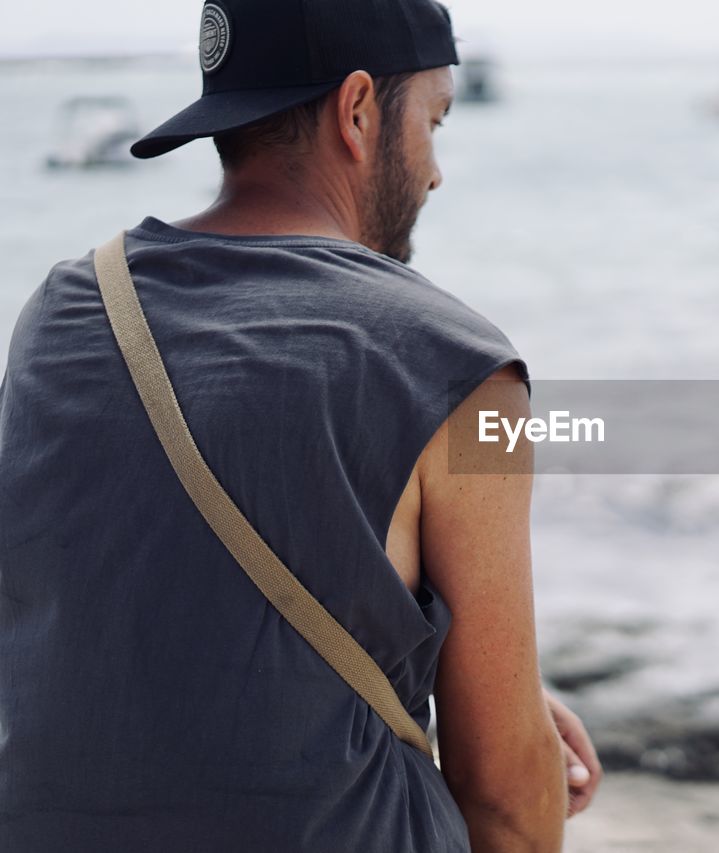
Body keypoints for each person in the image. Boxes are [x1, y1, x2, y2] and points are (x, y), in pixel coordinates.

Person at [0, 1, 599, 850]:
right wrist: (513, 731)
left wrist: (460, 686)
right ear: (357, 112)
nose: (434, 172)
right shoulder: (449, 362)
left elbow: (123, 617)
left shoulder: (62, 314)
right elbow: (505, 802)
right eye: (434, 119)